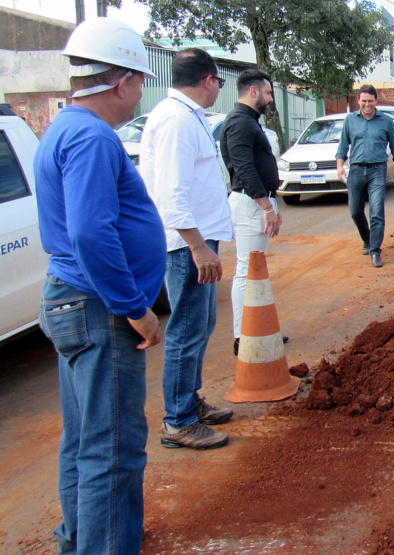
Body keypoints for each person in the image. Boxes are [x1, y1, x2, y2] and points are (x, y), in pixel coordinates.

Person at [35, 17, 164, 554]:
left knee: (84, 441)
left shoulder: (65, 127)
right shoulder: (90, 136)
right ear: (121, 82)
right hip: (95, 307)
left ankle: (80, 541)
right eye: (139, 81)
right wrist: (133, 306)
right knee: (113, 450)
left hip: (72, 299)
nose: (140, 93)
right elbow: (91, 230)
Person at [140, 48, 233, 451]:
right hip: (185, 244)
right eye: (219, 82)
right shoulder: (177, 119)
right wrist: (198, 247)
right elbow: (171, 196)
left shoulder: (186, 114)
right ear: (209, 80)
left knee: (201, 326)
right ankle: (177, 420)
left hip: (196, 239)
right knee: (186, 330)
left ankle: (189, 403)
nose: (218, 89)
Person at [221, 69, 289, 348]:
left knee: (254, 270)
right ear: (253, 91)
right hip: (250, 205)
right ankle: (244, 337)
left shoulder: (248, 121)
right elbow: (243, 168)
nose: (271, 99)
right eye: (268, 92)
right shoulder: (240, 123)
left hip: (256, 204)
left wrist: (270, 203)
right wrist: (266, 206)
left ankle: (256, 330)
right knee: (247, 271)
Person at [336, 84, 394, 268]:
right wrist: (340, 166)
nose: (367, 104)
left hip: (377, 171)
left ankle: (375, 251)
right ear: (358, 101)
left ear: (376, 101)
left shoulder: (386, 121)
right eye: (364, 101)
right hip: (356, 171)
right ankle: (367, 240)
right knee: (355, 211)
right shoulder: (350, 120)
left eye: (371, 101)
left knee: (376, 212)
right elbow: (343, 145)